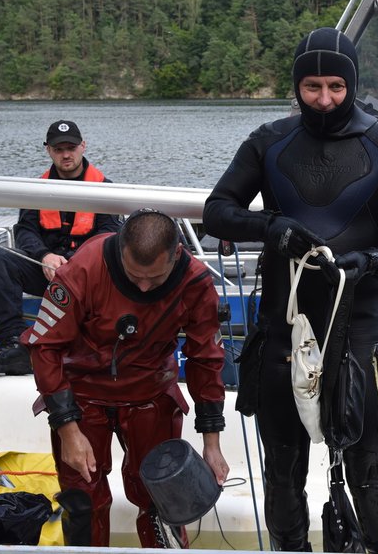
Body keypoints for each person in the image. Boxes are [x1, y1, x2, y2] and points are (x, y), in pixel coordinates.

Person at [203, 27, 378, 553]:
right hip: (283, 333)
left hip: (357, 334)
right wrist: (271, 228)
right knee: (282, 476)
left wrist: (376, 259)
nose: (324, 99)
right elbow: (218, 210)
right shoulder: (268, 142)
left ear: (351, 83)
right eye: (311, 87)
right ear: (296, 87)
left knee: (367, 473)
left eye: (334, 86)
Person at [23, 209, 229, 547]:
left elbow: (206, 357)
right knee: (83, 499)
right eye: (135, 277)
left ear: (176, 254)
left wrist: (212, 442)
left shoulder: (195, 282)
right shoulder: (84, 269)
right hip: (83, 395)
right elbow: (44, 347)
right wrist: (67, 429)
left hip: (151, 393)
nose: (144, 286)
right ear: (121, 251)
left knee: (163, 497)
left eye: (155, 279)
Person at [0, 120, 122, 375]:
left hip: (86, 276)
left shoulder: (103, 189)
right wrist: (45, 256)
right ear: (48, 150)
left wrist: (74, 262)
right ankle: (14, 345)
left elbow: (109, 234)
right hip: (46, 270)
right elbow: (25, 230)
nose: (66, 154)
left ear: (83, 146)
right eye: (59, 148)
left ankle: (101, 348)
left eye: (71, 147)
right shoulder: (36, 189)